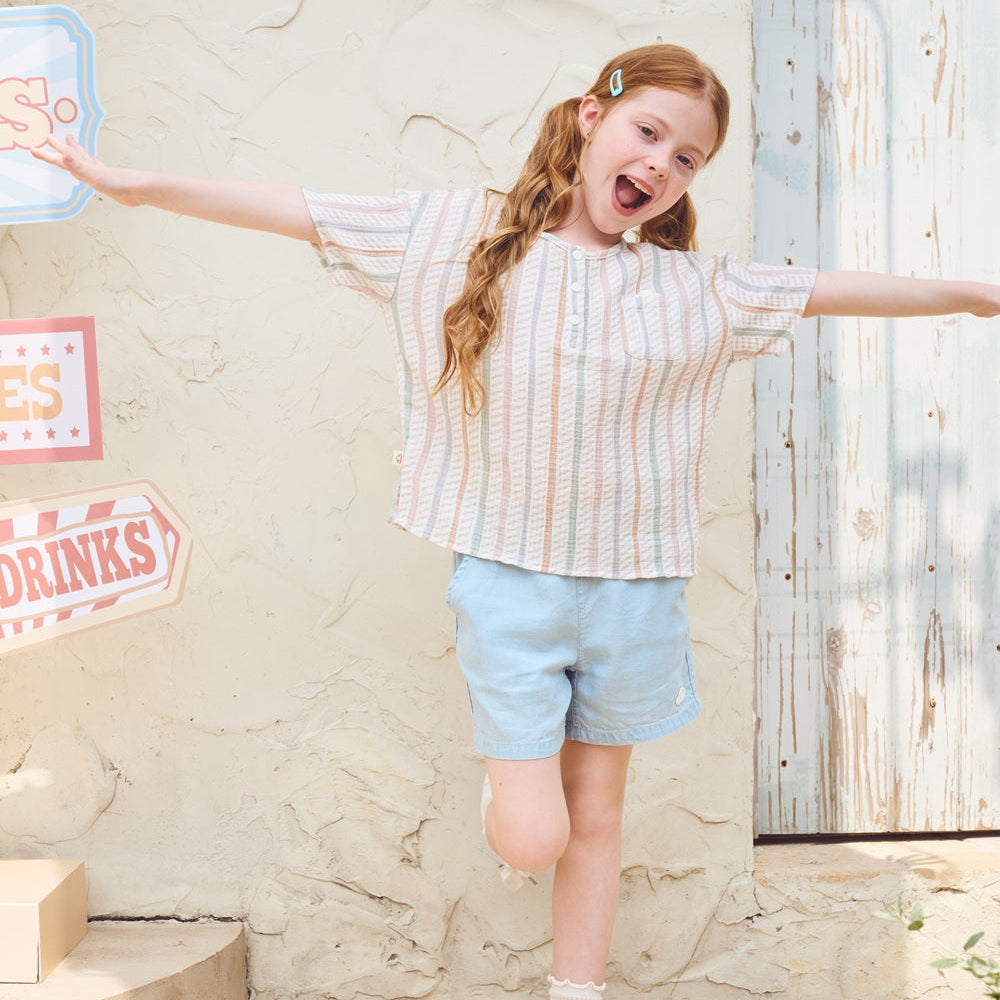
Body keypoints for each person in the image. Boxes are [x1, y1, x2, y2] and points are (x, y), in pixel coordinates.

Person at [34, 42, 1000, 1000]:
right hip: (508, 585)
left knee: (599, 815)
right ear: (592, 116)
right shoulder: (457, 238)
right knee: (534, 835)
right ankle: (511, 787)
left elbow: (836, 291)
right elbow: (299, 210)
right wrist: (132, 186)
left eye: (686, 157)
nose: (661, 164)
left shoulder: (693, 290)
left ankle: (574, 990)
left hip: (633, 590)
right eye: (647, 132)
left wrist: (972, 297)